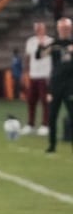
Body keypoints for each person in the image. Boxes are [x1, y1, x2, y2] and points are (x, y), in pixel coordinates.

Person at [39, 17, 73, 154]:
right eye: (62, 28)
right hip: (55, 86)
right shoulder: (54, 45)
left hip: (70, 86)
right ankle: (52, 145)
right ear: (58, 29)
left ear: (70, 29)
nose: (64, 30)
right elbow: (40, 55)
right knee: (52, 116)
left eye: (66, 28)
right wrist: (41, 44)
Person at [22, 21, 53, 136]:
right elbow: (28, 57)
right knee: (31, 100)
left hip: (45, 75)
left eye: (41, 28)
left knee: (45, 101)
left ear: (45, 29)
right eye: (37, 28)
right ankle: (31, 124)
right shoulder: (30, 41)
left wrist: (41, 43)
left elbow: (43, 55)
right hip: (33, 75)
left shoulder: (50, 41)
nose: (39, 30)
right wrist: (26, 72)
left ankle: (45, 124)